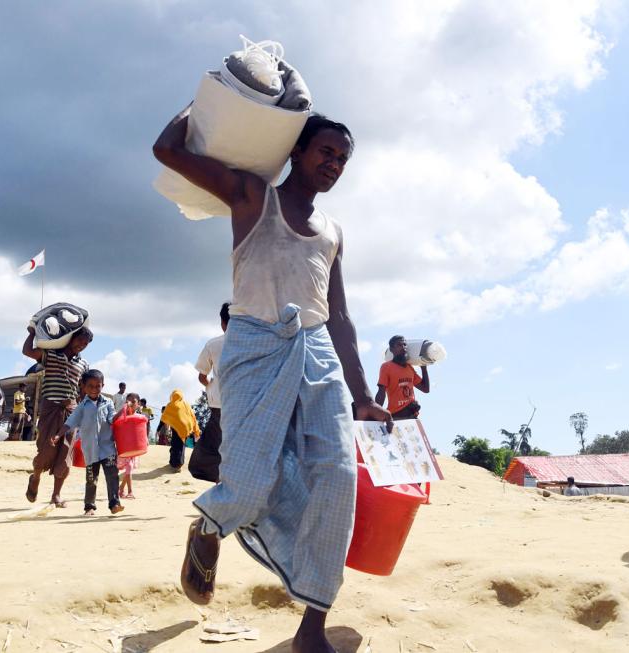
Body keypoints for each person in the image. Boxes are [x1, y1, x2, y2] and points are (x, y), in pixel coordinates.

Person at [154, 109, 392, 652]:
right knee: (251, 477)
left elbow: (339, 315)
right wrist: (219, 101)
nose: (333, 164)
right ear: (296, 152)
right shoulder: (251, 196)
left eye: (342, 158)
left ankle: (312, 627)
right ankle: (210, 527)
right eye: (325, 152)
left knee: (337, 480)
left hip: (318, 355)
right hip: (256, 348)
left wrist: (361, 396)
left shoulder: (332, 231)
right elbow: (168, 151)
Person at [21, 325, 92, 507]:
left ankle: (56, 495)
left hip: (72, 411)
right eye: (79, 341)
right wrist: (32, 333)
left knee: (66, 452)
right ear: (71, 338)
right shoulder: (51, 354)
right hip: (50, 408)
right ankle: (35, 477)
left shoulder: (84, 364)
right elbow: (27, 350)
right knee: (46, 448)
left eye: (85, 344)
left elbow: (84, 389)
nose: (81, 346)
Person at [64, 369, 124, 516]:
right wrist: (58, 435)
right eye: (90, 386)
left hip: (107, 448)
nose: (94, 389)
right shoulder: (82, 407)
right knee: (91, 479)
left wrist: (121, 413)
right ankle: (89, 507)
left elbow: (111, 419)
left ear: (103, 385)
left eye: (98, 386)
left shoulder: (108, 402)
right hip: (90, 450)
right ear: (83, 386)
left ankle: (114, 504)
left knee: (112, 476)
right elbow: (70, 423)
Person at [189, 302, 229, 482]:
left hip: (220, 405)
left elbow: (202, 375)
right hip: (248, 404)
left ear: (222, 322)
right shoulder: (254, 341)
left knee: (207, 454)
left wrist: (210, 384)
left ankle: (223, 484)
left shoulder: (214, 344)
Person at [376, 335, 430, 420]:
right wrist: (375, 413)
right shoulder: (386, 367)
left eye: (404, 345)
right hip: (397, 416)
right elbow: (381, 392)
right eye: (399, 345)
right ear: (391, 349)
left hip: (413, 416)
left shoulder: (409, 367)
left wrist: (424, 368)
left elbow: (425, 389)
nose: (403, 347)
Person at [163, 390, 199, 471]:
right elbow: (193, 417)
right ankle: (178, 463)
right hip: (186, 428)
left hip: (176, 427)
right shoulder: (186, 405)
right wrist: (195, 429)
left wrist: (167, 430)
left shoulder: (170, 404)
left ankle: (176, 465)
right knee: (181, 445)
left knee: (176, 445)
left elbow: (166, 418)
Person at [117, 393, 142, 499]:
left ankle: (122, 489)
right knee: (129, 467)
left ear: (138, 404)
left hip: (134, 447)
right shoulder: (123, 415)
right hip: (124, 447)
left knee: (129, 467)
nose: (131, 404)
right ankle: (128, 491)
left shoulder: (139, 417)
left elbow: (141, 431)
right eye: (128, 401)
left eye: (133, 402)